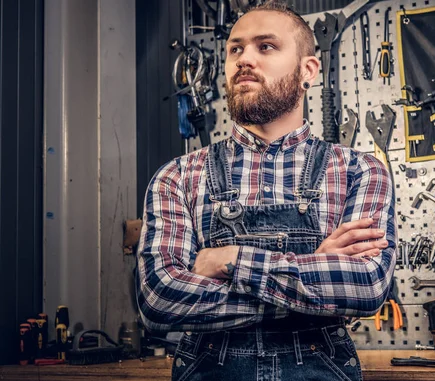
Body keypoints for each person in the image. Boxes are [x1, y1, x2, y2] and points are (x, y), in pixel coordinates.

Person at [136, 1, 397, 380]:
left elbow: (366, 284)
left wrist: (229, 260)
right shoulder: (177, 176)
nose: (244, 59)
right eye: (235, 49)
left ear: (309, 71)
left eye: (266, 46)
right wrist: (312, 285)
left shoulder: (360, 170)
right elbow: (160, 299)